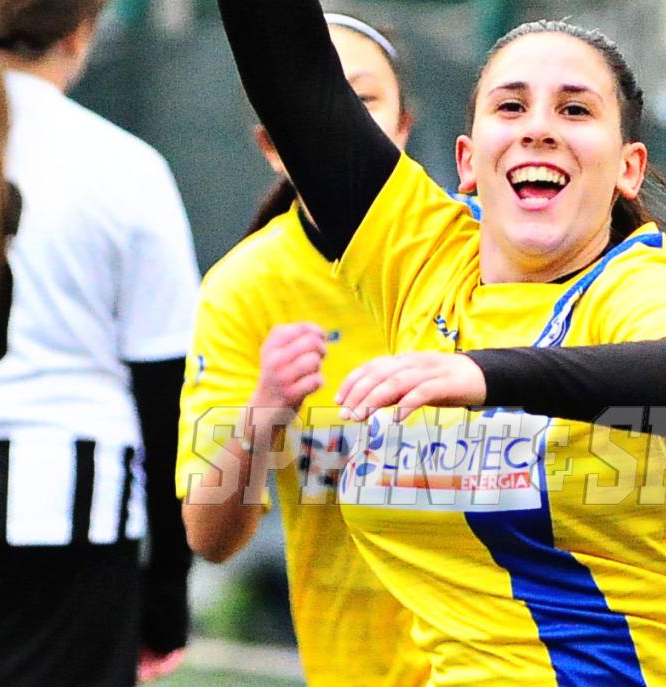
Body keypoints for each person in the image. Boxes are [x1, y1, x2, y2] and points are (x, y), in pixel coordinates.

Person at [206, 1, 666, 684]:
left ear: (629, 167)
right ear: (468, 161)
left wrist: (483, 375)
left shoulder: (641, 285)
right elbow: (290, 70)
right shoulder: (421, 258)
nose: (538, 127)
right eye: (511, 107)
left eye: (575, 110)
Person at [176, 11, 475, 685]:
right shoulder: (243, 289)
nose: (335, 120)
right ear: (272, 144)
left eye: (361, 100)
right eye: (319, 100)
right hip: (354, 667)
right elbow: (208, 536)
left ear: (402, 128)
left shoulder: (478, 254)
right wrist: (261, 414)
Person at [0, 1, 199, 685]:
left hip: (69, 526)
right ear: (80, 33)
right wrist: (166, 596)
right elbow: (168, 402)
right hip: (74, 531)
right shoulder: (125, 169)